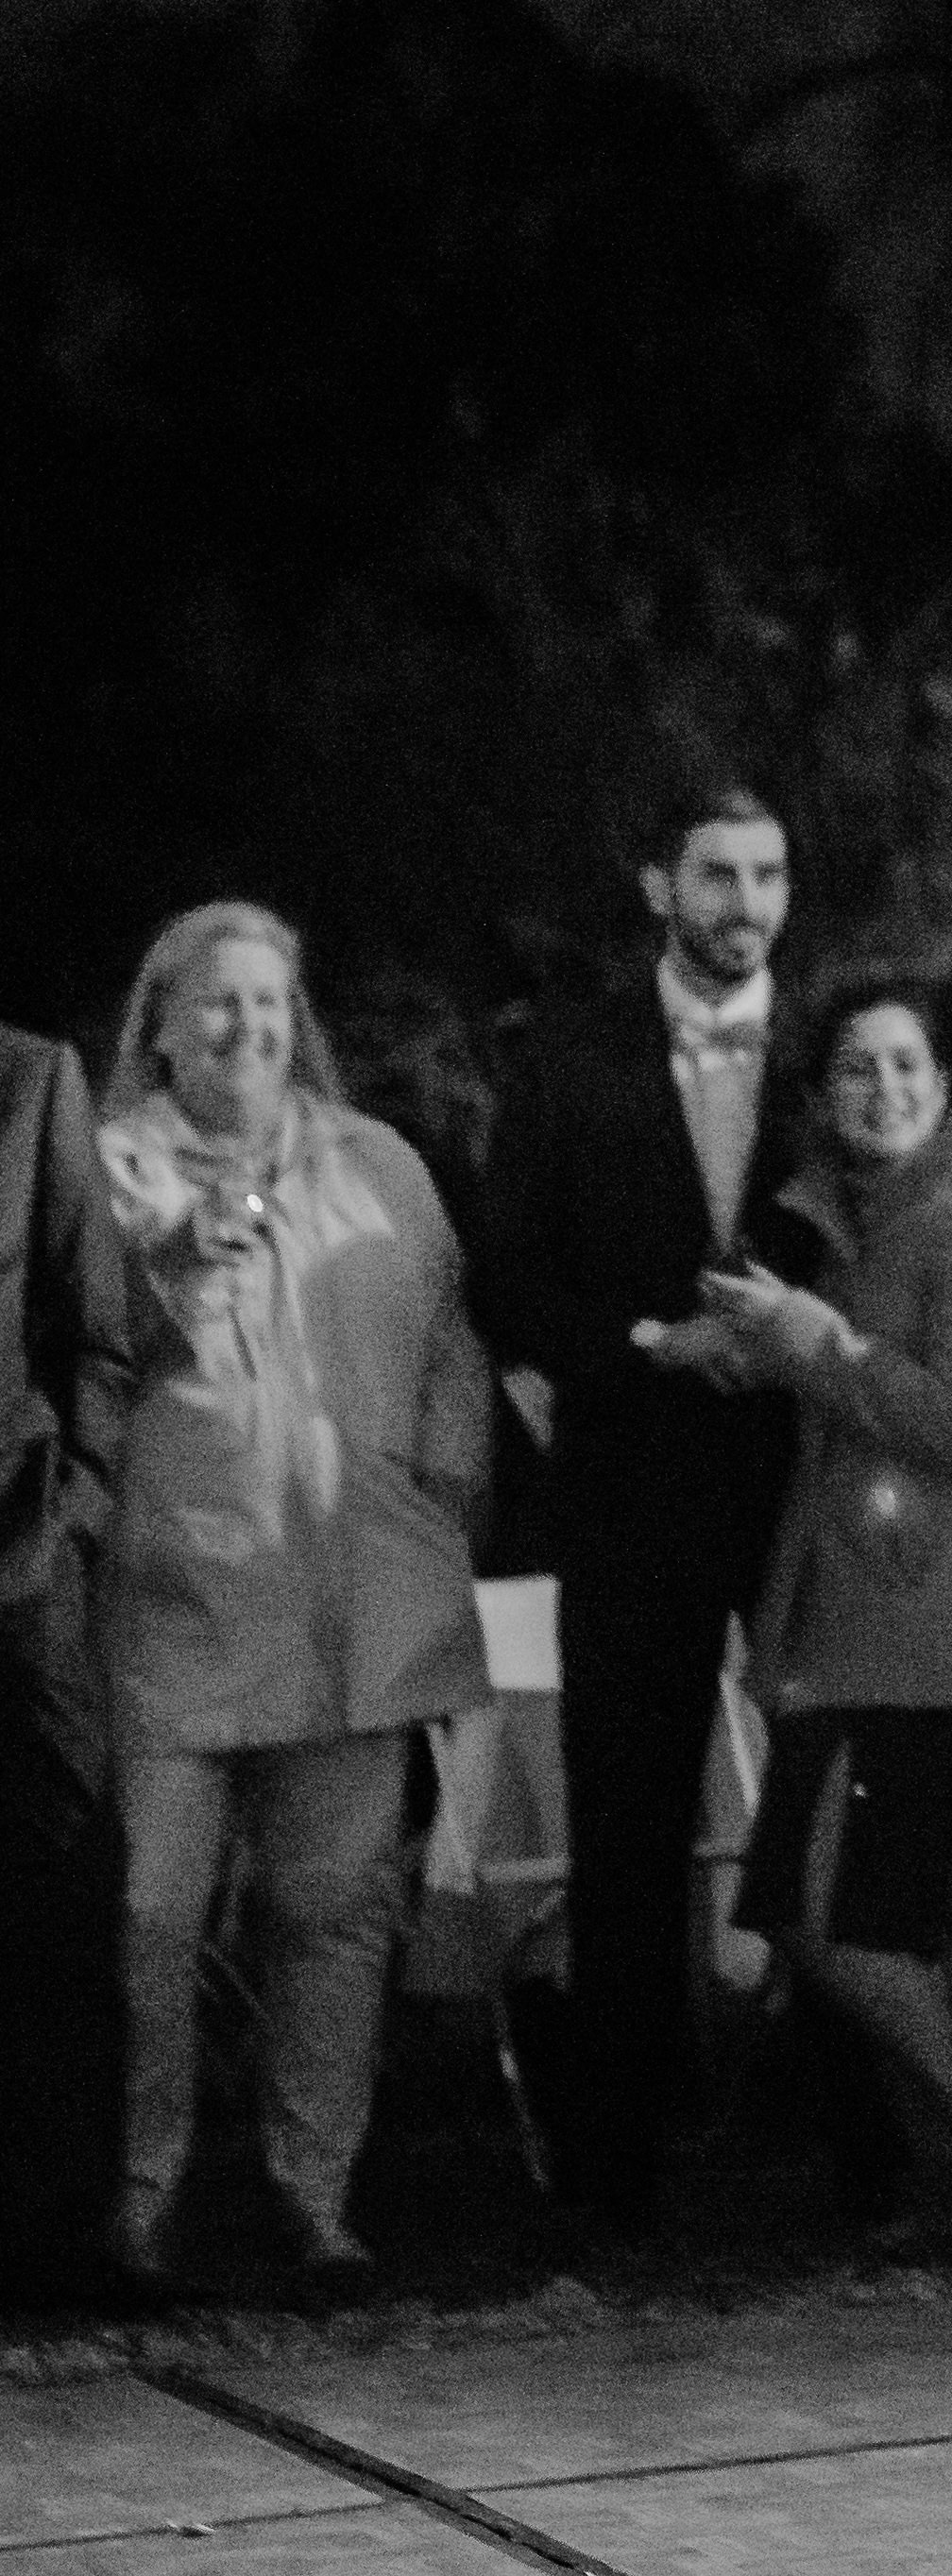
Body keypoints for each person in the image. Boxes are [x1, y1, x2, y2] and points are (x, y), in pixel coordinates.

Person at [94, 905, 492, 2286]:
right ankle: (137, 2194)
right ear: (159, 1022)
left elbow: (449, 1339)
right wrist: (165, 1278)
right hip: (174, 1611)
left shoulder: (375, 1161)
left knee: (334, 1913)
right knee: (146, 1918)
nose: (249, 1028)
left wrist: (450, 1480)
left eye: (270, 1002)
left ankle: (310, 2195)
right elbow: (69, 1366)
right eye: (218, 1005)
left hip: (362, 1613)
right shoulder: (106, 1169)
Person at [476, 773, 805, 2233]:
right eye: (718, 875)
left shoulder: (847, 1054)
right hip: (632, 1480)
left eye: (769, 874)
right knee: (629, 1820)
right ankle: (612, 2169)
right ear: (661, 888)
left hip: (812, 1480)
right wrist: (643, 1347)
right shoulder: (564, 1056)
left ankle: (844, 2141)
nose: (747, 904)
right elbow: (509, 1277)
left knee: (832, 1803)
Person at [706, 970, 952, 2244]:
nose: (885, 1090)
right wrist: (746, 1345)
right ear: (822, 1090)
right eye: (858, 1067)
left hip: (920, 1627)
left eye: (907, 1064)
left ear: (947, 1080)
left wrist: (812, 1342)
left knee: (833, 1914)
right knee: (828, 1912)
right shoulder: (872, 1222)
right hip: (856, 1622)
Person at [0, 1021, 135, 2293]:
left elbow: (100, 1329)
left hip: (18, 1566)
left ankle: (55, 2231)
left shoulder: (32, 1083)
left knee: (57, 1894)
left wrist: (72, 1516)